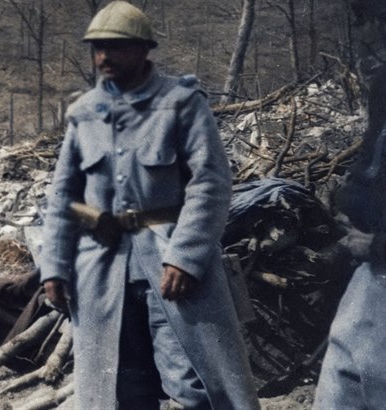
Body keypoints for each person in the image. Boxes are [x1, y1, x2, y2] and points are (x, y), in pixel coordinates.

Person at [38, 2, 258, 409]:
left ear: (144, 50)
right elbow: (62, 196)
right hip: (102, 273)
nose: (103, 57)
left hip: (171, 267)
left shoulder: (181, 102)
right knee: (119, 388)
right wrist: (53, 266)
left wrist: (185, 257)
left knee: (193, 383)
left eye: (115, 47)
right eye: (97, 48)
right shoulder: (84, 114)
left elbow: (210, 181)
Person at [314, 5, 386, 406]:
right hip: (371, 273)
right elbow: (371, 171)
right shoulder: (384, 85)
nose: (365, 33)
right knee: (340, 386)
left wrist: (376, 245)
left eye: (369, 19)